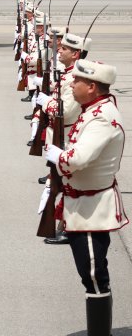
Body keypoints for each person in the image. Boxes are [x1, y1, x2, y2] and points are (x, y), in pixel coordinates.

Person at [43, 59, 127, 336]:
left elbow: (75, 159)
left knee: (93, 274)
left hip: (91, 209)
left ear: (92, 87)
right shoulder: (92, 110)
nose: (71, 84)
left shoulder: (101, 117)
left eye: (77, 81)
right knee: (89, 273)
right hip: (79, 203)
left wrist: (57, 156)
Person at [35, 31, 91, 245]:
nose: (59, 49)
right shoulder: (69, 75)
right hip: (58, 134)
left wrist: (46, 101)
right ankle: (64, 225)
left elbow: (66, 111)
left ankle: (68, 228)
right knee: (58, 184)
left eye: (65, 48)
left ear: (76, 54)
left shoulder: (75, 79)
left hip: (66, 136)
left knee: (66, 185)